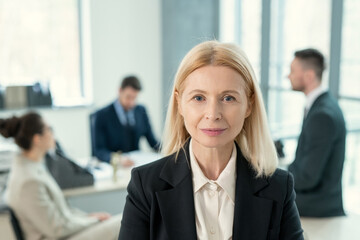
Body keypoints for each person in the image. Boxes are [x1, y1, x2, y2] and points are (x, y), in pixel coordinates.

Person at [118, 41, 304, 239]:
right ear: (179, 103)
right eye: (199, 98)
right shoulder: (146, 185)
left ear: (249, 105)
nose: (213, 114)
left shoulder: (278, 186)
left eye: (228, 98)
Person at [0, 112, 121, 240]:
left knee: (125, 222)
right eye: (49, 129)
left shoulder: (32, 167)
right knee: (124, 223)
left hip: (64, 232)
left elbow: (63, 213)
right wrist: (94, 221)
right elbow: (56, 228)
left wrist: (88, 217)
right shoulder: (29, 180)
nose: (53, 135)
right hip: (58, 236)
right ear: (37, 139)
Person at [287, 48, 346, 217]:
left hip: (319, 204)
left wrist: (277, 180)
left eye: (292, 71)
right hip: (319, 198)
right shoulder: (322, 105)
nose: (288, 76)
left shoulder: (322, 115)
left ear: (309, 76)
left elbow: (307, 177)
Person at [92, 75, 160, 163]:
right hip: (114, 166)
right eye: (128, 97)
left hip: (135, 163)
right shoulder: (101, 115)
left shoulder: (141, 111)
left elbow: (152, 141)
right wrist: (118, 159)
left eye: (134, 98)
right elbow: (99, 150)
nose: (131, 103)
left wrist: (168, 151)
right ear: (120, 91)